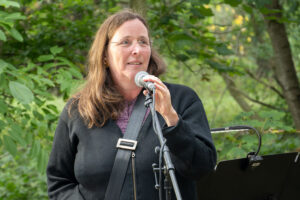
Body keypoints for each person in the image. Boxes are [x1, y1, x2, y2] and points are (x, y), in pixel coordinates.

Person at [46, 10, 217, 200]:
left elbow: (203, 168)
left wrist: (171, 118)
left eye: (143, 42)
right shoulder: (78, 109)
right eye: (125, 42)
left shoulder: (182, 99)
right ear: (104, 55)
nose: (137, 49)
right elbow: (59, 183)